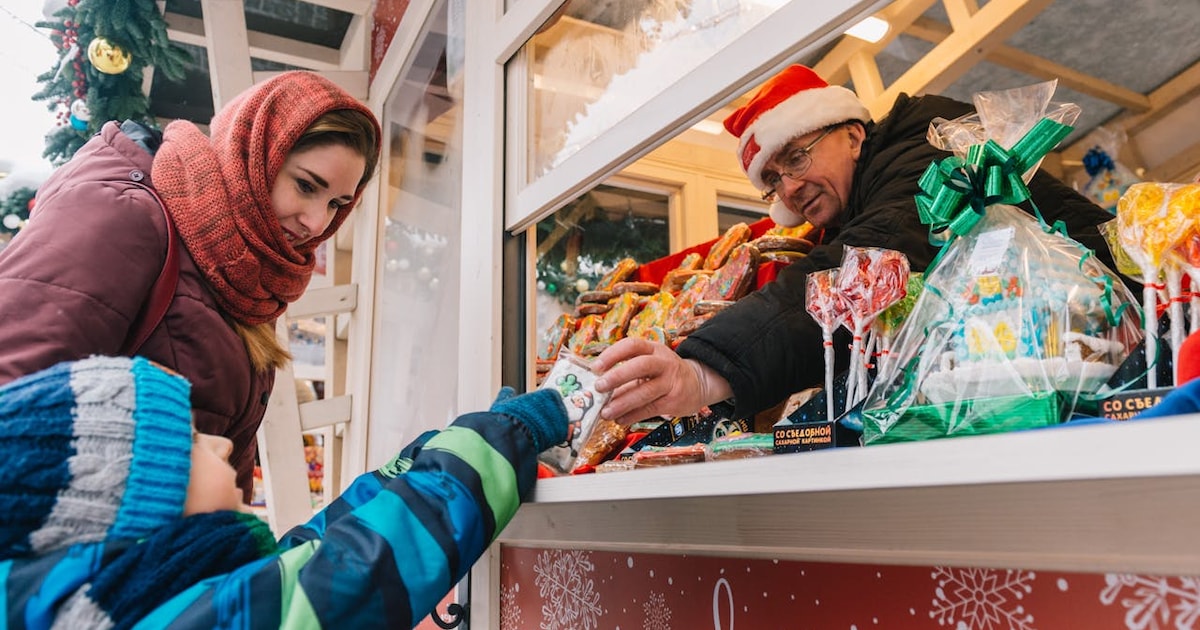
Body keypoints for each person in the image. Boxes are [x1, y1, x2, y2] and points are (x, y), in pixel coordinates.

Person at [593, 64, 1123, 426]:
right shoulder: (851, 203)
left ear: (852, 135)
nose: (790, 188)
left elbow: (862, 266)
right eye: (773, 179)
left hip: (1126, 345)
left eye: (796, 158)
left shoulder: (925, 152)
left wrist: (702, 369)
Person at [0, 71, 381, 501]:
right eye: (306, 185)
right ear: (252, 154)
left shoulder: (247, 277)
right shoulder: (125, 216)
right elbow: (12, 392)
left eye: (336, 204)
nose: (317, 222)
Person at [0, 355, 568, 628]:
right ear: (145, 503)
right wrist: (506, 436)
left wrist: (446, 448)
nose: (222, 446)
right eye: (194, 441)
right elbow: (360, 569)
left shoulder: (140, 601)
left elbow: (315, 550)